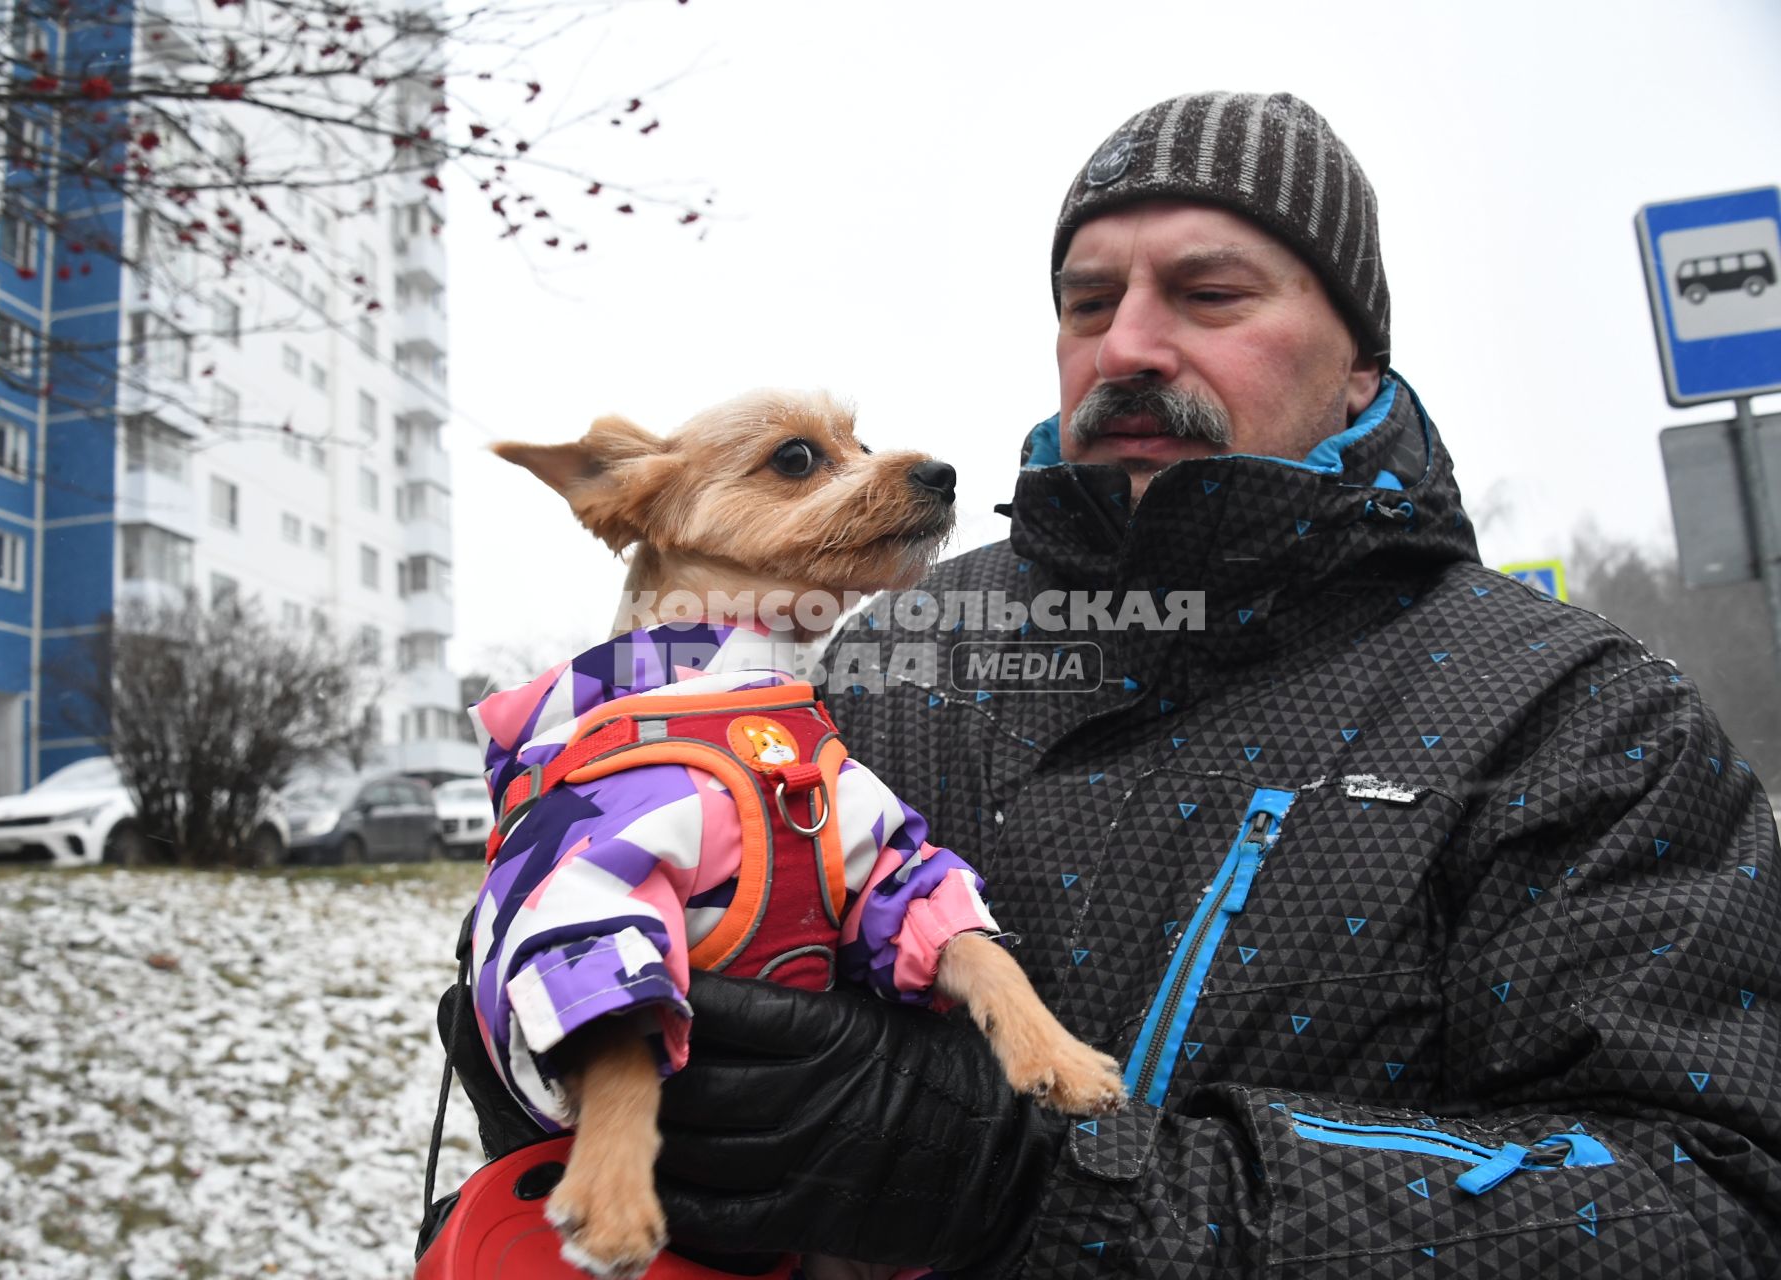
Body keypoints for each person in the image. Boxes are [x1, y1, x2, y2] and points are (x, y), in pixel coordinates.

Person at [643, 92, 1781, 1276]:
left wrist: (1052, 1184)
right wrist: (562, 1025)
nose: (1126, 347)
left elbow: (1712, 1199)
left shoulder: (1576, 716)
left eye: (1210, 294)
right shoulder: (896, 652)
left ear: (1357, 360)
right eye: (1089, 303)